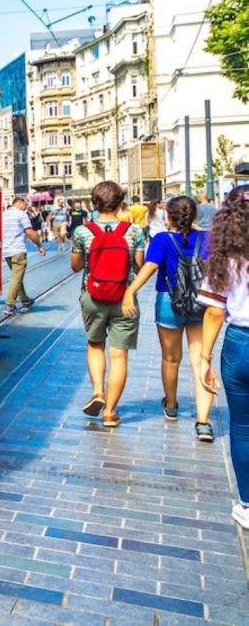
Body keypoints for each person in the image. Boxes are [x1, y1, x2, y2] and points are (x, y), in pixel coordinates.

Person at [121, 196, 213, 437]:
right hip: (201, 304)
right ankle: (203, 422)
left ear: (168, 217)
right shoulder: (206, 238)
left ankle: (171, 406)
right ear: (193, 217)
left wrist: (130, 291)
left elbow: (150, 268)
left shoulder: (162, 239)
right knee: (201, 361)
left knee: (171, 359)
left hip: (169, 303)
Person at [195, 183, 249, 529]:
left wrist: (205, 358)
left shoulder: (227, 258)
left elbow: (214, 313)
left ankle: (246, 504)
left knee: (243, 427)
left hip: (240, 344)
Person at [71, 181, 144, 428]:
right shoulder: (134, 231)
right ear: (120, 202)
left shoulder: (82, 232)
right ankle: (110, 413)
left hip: (93, 295)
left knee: (95, 345)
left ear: (95, 203)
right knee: (119, 355)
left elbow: (76, 266)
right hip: (125, 297)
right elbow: (138, 267)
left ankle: (97, 392)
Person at [2, 196, 45, 314]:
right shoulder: (21, 214)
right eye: (25, 205)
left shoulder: (3, 214)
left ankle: (25, 300)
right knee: (16, 277)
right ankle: (9, 305)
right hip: (18, 249)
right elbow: (30, 232)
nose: (26, 207)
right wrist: (39, 246)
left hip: (6, 251)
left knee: (17, 276)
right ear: (20, 203)